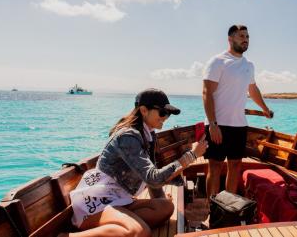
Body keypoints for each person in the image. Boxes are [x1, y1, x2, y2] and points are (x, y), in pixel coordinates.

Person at [60, 89, 208, 237]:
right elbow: (153, 178)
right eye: (162, 113)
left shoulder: (148, 134)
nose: (166, 117)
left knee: (166, 207)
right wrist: (192, 155)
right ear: (144, 110)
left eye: (168, 114)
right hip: (97, 201)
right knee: (140, 232)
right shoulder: (128, 137)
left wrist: (160, 200)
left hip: (119, 198)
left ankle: (120, 224)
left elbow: (152, 177)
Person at [202, 24, 272, 197]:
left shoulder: (249, 65)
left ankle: (228, 206)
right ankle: (212, 206)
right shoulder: (218, 61)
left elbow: (253, 90)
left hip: (239, 125)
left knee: (235, 166)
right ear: (230, 38)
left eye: (247, 37)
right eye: (241, 36)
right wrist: (212, 124)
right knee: (215, 166)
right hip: (218, 124)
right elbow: (206, 92)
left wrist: (265, 109)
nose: (246, 40)